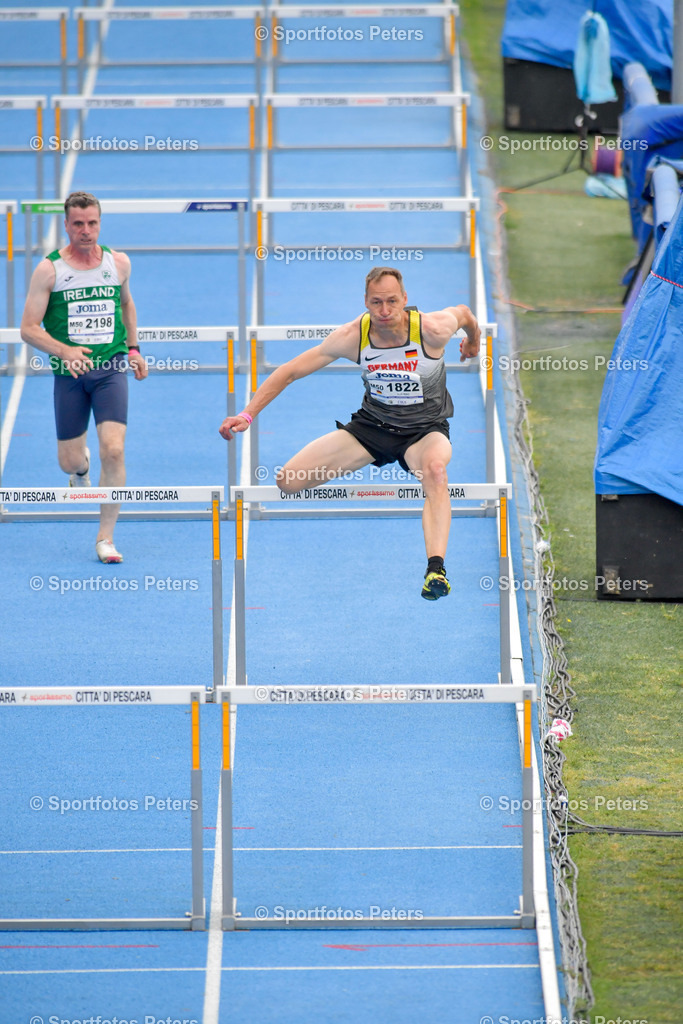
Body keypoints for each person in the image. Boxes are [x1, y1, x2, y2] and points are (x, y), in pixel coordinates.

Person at [219, 266, 481, 599]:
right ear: (365, 302)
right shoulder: (352, 336)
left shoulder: (432, 330)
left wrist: (473, 340)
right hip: (372, 427)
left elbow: (465, 314)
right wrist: (247, 414)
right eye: (376, 303)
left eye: (391, 302)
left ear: (405, 299)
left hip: (424, 432)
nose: (384, 311)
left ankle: (435, 570)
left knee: (435, 471)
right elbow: (289, 372)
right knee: (288, 480)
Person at [20, 190, 147, 563]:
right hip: (70, 374)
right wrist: (65, 351)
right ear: (66, 226)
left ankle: (105, 538)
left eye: (92, 223)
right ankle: (81, 469)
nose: (86, 231)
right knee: (69, 460)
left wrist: (135, 349)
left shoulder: (117, 263)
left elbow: (125, 302)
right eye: (78, 224)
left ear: (100, 223)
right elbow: (28, 328)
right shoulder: (50, 270)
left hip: (110, 368)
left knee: (115, 448)